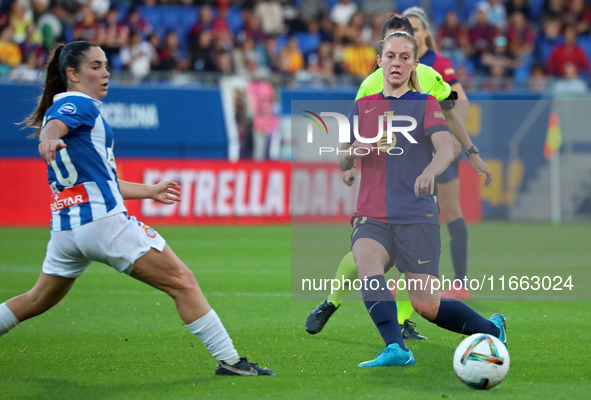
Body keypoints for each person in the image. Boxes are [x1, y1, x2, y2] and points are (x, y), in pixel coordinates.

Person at [0, 41, 275, 377]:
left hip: (66, 229)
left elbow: (102, 181)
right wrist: (48, 136)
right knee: (183, 282)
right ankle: (232, 362)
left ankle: (231, 362)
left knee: (35, 299)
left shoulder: (71, 107)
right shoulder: (77, 104)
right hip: (103, 224)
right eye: (96, 66)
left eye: (106, 65)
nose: (105, 73)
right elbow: (54, 125)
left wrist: (150, 191)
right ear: (72, 74)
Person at [305, 15, 492, 339]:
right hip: (380, 192)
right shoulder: (368, 89)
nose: (397, 58)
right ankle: (334, 303)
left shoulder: (431, 79)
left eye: (405, 50)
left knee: (420, 286)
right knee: (363, 258)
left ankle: (405, 323)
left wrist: (471, 152)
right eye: (391, 50)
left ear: (417, 49)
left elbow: (450, 114)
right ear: (380, 54)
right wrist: (351, 164)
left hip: (417, 188)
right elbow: (351, 142)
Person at [339, 30, 506, 367]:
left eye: (404, 57)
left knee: (426, 305)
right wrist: (356, 150)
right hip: (373, 214)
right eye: (390, 56)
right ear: (379, 61)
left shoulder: (425, 104)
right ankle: (397, 349)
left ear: (414, 65)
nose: (396, 63)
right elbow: (343, 159)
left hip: (416, 215)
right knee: (366, 264)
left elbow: (445, 149)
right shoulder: (362, 107)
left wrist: (430, 170)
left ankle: (492, 330)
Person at [403, 7, 473, 299]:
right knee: (413, 213)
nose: (412, 35)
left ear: (426, 33)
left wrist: (455, 139)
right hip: (413, 150)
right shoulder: (402, 60)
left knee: (449, 210)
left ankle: (459, 283)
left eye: (416, 29)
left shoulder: (437, 62)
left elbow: (461, 101)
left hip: (437, 148)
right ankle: (417, 281)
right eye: (407, 30)